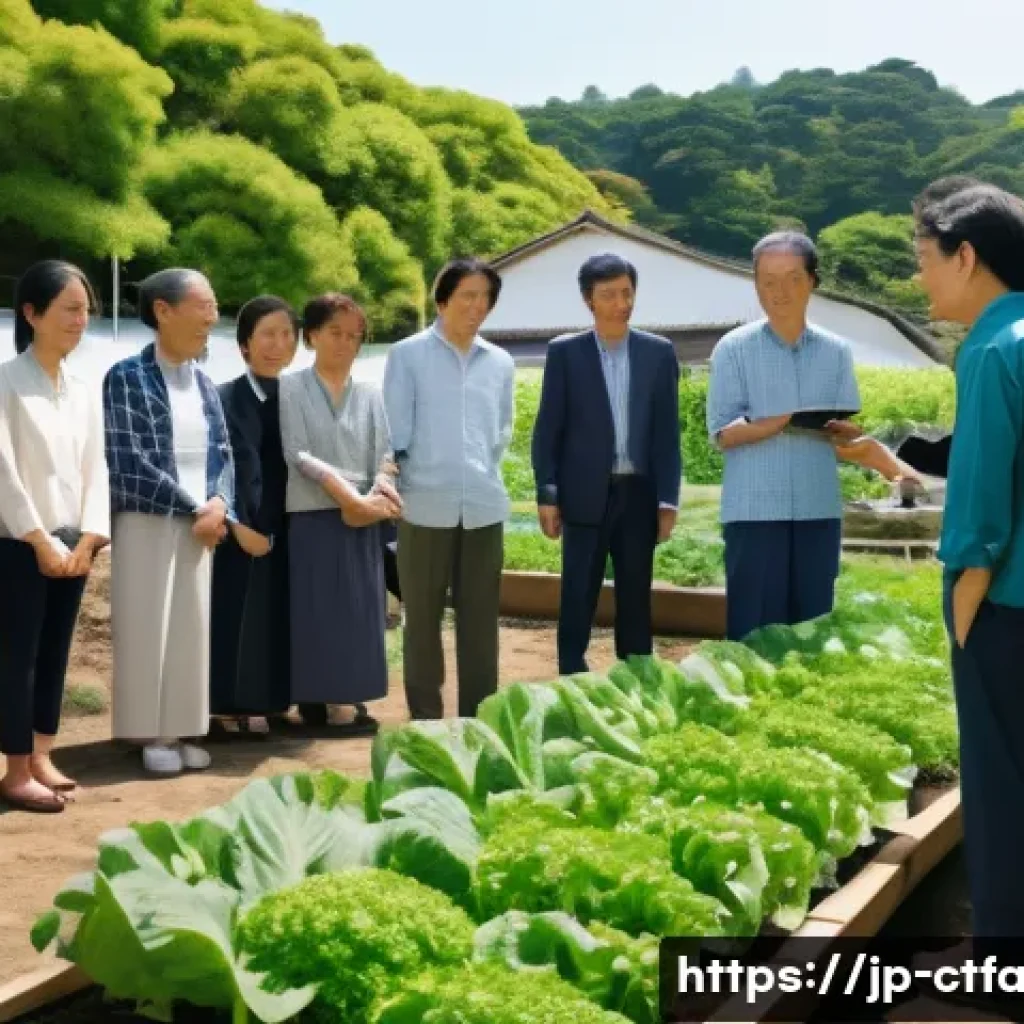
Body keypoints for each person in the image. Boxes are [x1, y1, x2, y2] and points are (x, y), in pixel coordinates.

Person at [706, 231, 917, 642]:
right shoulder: (733, 348)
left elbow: (843, 433)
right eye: (767, 280)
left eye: (791, 278)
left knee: (813, 628)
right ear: (755, 284)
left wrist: (846, 433)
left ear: (812, 282)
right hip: (753, 511)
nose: (779, 291)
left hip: (817, 507)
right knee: (754, 633)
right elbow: (722, 434)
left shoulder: (835, 350)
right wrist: (780, 422)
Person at [913, 182, 1024, 938]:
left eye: (925, 259)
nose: (920, 277)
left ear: (967, 255)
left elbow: (982, 505)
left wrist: (964, 601)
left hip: (1005, 611)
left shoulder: (989, 348)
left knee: (999, 786)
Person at [103, 268, 234, 775]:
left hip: (202, 519)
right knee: (148, 624)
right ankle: (148, 732)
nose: (211, 317)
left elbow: (224, 451)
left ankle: (180, 730)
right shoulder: (125, 375)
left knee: (190, 627)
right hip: (149, 518)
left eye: (214, 307)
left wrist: (220, 502)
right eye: (203, 305)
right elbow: (128, 455)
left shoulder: (203, 380)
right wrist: (194, 506)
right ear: (163, 310)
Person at [531, 252, 681, 675]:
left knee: (636, 594)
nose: (621, 303)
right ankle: (572, 678)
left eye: (627, 293)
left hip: (640, 492)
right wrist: (548, 492)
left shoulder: (658, 353)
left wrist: (668, 499)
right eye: (609, 294)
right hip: (583, 493)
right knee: (578, 592)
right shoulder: (566, 353)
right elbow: (548, 430)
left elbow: (668, 435)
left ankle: (636, 678)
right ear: (588, 300)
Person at [382, 259, 514, 720]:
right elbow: (395, 431)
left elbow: (500, 433)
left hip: (483, 506)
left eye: (485, 299)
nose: (477, 307)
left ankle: (480, 720)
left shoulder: (500, 362)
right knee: (422, 622)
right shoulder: (407, 355)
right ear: (443, 300)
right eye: (467, 296)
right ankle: (426, 722)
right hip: (423, 506)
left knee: (480, 624)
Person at [0, 261, 109, 813]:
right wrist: (39, 539)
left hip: (74, 542)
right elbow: (4, 472)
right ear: (32, 314)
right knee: (17, 656)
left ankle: (43, 752)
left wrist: (90, 537)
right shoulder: (5, 383)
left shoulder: (83, 390)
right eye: (69, 308)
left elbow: (98, 469)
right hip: (20, 544)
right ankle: (15, 768)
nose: (80, 319)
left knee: (54, 652)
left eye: (85, 309)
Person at [278, 293, 399, 730]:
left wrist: (378, 492)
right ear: (311, 336)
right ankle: (312, 699)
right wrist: (349, 497)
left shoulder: (370, 393)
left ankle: (347, 698)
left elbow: (386, 452)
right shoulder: (290, 387)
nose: (345, 343)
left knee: (358, 609)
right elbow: (298, 452)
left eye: (354, 336)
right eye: (335, 333)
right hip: (313, 511)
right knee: (314, 608)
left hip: (362, 515)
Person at [209, 296, 299, 736]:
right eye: (267, 334)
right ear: (245, 344)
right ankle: (224, 706)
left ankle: (272, 701)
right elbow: (214, 466)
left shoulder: (301, 399)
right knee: (232, 612)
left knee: (275, 615)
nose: (277, 344)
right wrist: (238, 525)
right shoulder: (221, 397)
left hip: (286, 528)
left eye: (287, 335)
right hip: (234, 527)